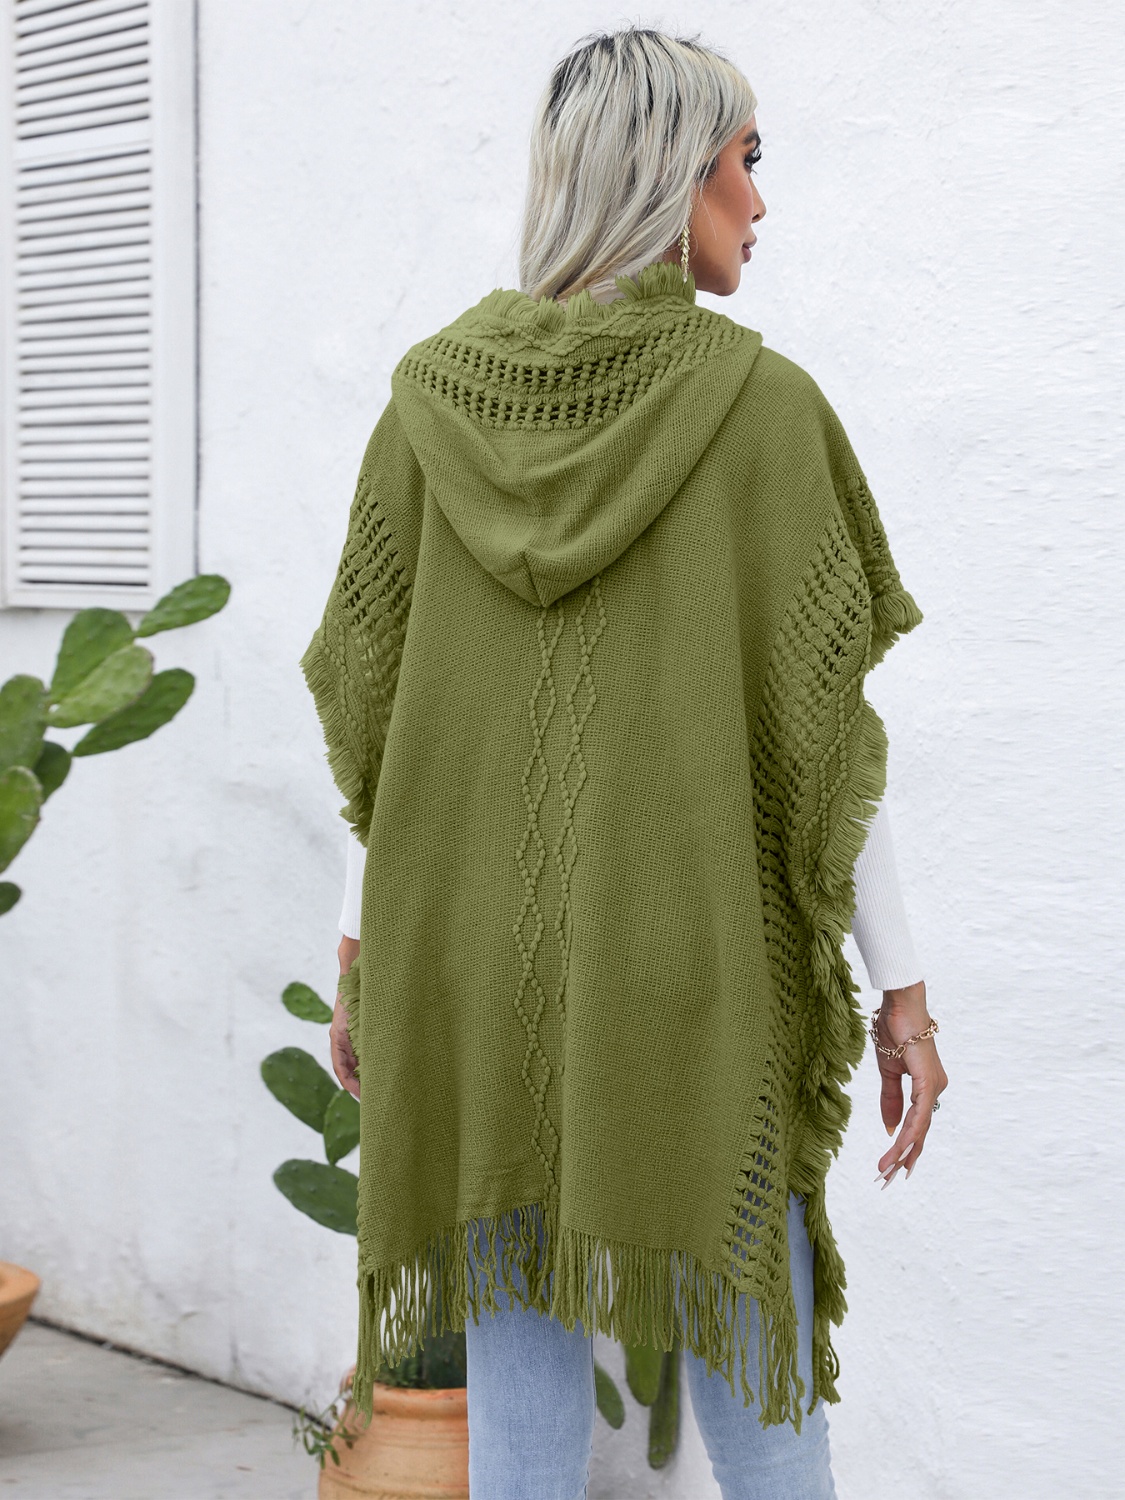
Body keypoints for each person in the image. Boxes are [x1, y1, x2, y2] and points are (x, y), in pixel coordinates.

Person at [301, 26, 948, 1500]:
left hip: (477, 968)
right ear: (668, 176)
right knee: (761, 1405)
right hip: (692, 974)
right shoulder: (763, 412)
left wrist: (360, 952)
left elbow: (384, 729)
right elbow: (825, 738)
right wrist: (899, 990)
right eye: (743, 163)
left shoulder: (424, 406)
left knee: (521, 1419)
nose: (759, 203)